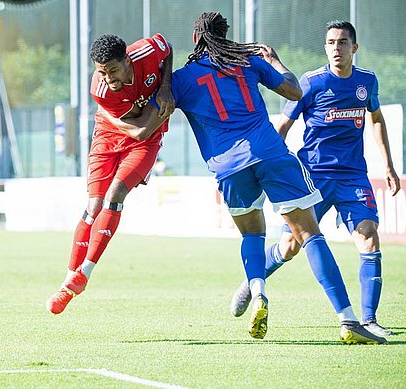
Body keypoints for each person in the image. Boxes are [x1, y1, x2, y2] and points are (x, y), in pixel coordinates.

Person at [114, 12, 386, 343]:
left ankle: (258, 292)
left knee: (253, 235)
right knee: (309, 235)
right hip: (270, 154)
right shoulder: (247, 62)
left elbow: (145, 127)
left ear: (196, 39)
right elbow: (294, 91)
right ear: (226, 36)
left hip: (229, 168)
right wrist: (275, 60)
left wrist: (121, 109)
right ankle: (348, 319)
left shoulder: (183, 80)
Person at [230, 20, 401, 338]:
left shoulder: (367, 82)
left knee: (368, 235)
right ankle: (253, 279)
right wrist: (271, 173)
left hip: (353, 177)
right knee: (290, 245)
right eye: (331, 42)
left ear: (355, 47)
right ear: (326, 47)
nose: (336, 48)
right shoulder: (311, 82)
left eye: (343, 42)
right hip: (312, 177)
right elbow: (282, 127)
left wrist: (389, 165)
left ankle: (368, 318)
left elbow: (376, 119)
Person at [45, 33, 175, 314]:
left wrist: (165, 87)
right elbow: (140, 126)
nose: (107, 77)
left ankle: (84, 274)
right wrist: (158, 112)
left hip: (144, 143)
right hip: (110, 136)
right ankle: (69, 278)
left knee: (115, 195)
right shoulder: (100, 90)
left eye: (112, 70)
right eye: (101, 71)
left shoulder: (146, 50)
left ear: (127, 60)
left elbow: (168, 49)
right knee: (93, 206)